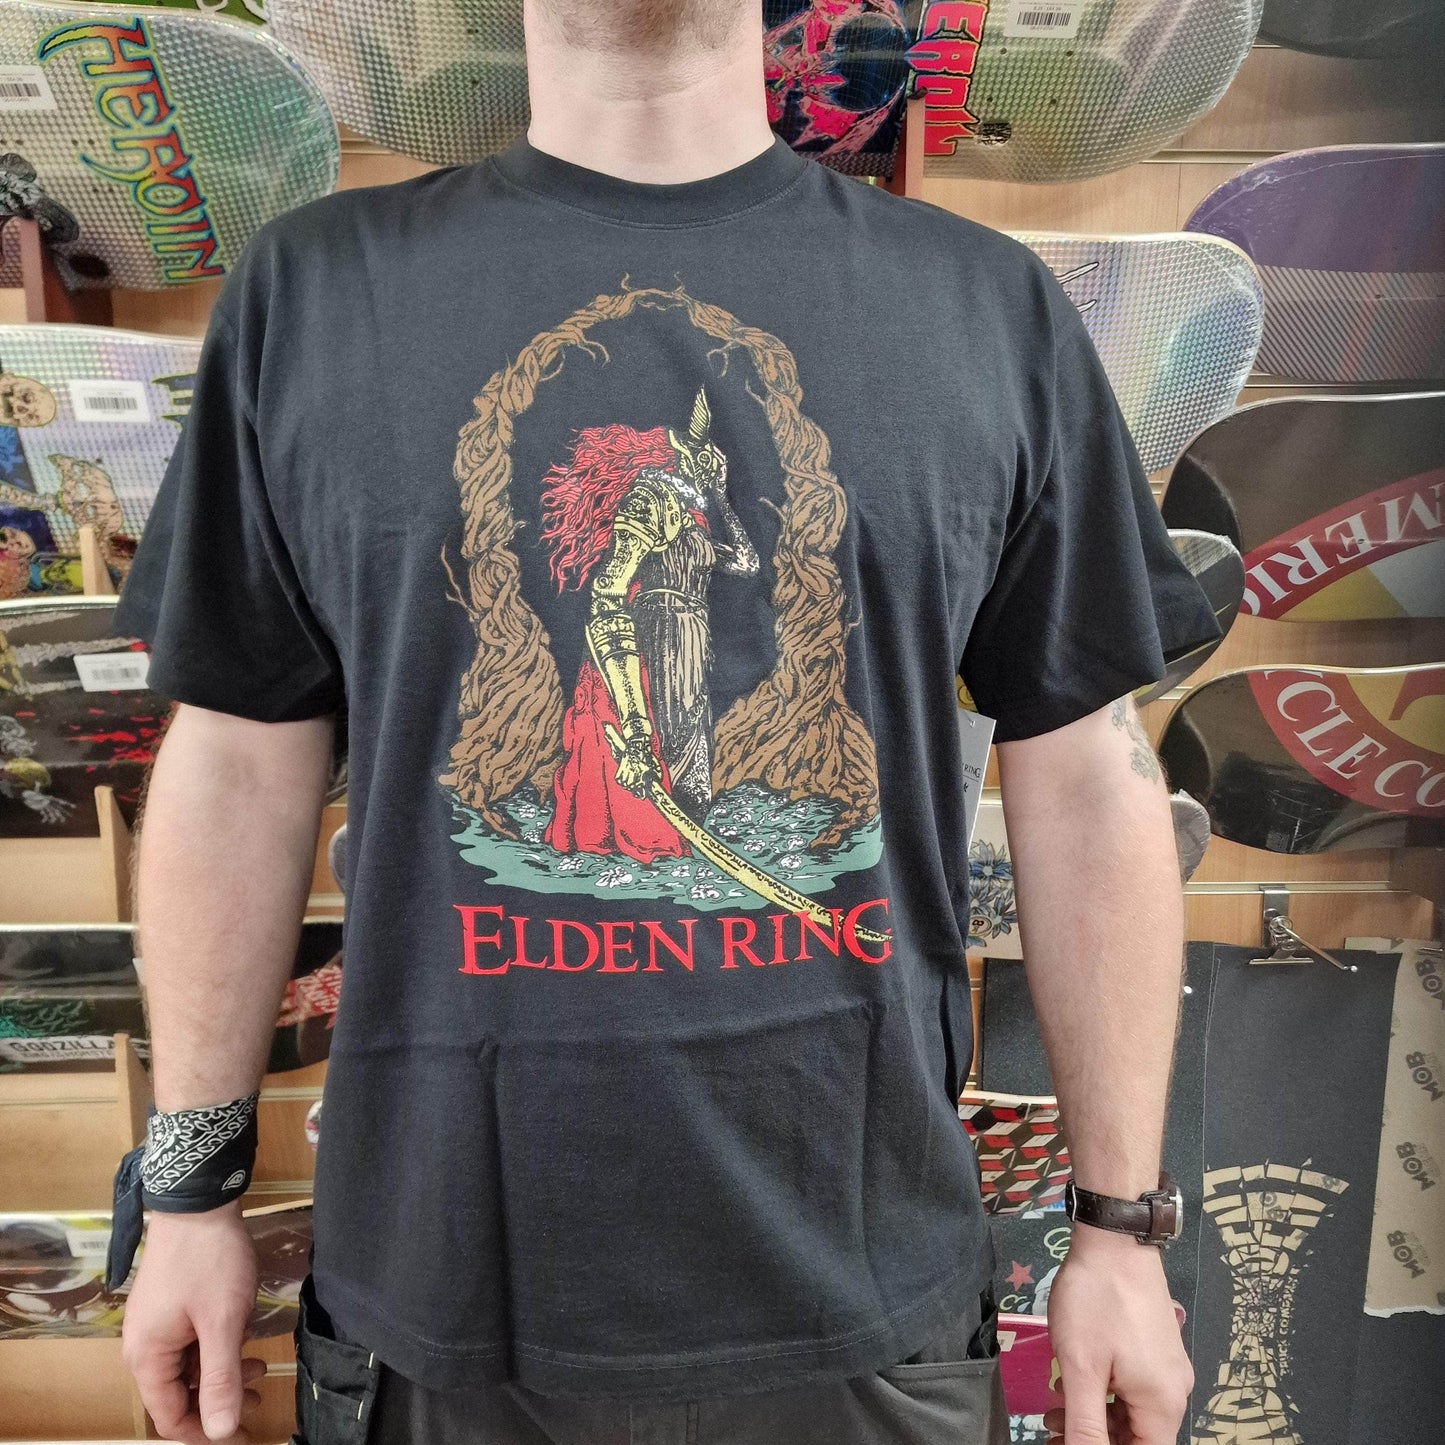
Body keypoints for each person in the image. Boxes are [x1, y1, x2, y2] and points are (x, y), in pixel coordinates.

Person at [112, 2, 1213, 1443]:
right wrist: (188, 1192)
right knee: (619, 760)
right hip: (438, 1308)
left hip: (862, 1310)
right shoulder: (314, 292)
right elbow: (238, 765)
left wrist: (1120, 1228)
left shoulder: (983, 306)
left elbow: (1086, 778)